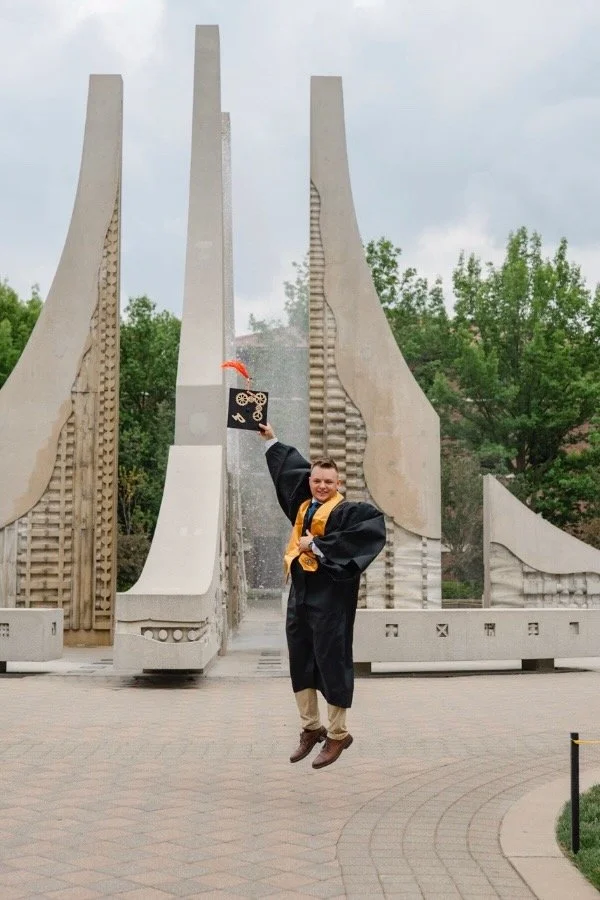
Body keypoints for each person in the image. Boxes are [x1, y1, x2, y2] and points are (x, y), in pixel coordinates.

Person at [258, 422, 386, 769]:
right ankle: (310, 728)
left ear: (338, 483)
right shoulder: (303, 504)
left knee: (331, 661)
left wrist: (315, 543)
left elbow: (370, 532)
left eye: (328, 481)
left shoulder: (348, 512)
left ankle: (339, 733)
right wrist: (270, 439)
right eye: (316, 480)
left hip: (331, 600)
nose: (321, 486)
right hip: (300, 595)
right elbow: (290, 471)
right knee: (300, 659)